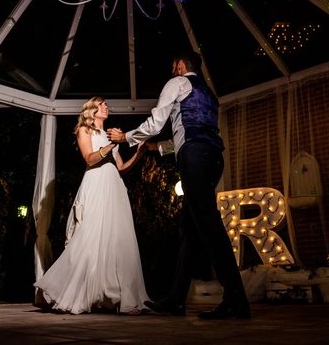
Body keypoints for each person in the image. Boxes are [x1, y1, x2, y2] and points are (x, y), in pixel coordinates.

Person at [107, 50, 250, 320]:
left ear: (181, 65)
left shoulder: (177, 83)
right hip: (212, 158)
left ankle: (236, 300)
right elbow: (191, 131)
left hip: (194, 158)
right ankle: (176, 299)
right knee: (190, 228)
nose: (172, 71)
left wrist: (125, 136)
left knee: (209, 225)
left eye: (174, 66)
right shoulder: (209, 95)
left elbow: (157, 121)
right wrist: (158, 148)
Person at [34, 97, 149, 315]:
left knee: (116, 238)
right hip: (95, 185)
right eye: (102, 104)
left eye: (106, 105)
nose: (106, 107)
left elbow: (122, 167)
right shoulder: (84, 131)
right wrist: (109, 147)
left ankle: (114, 295)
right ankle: (75, 291)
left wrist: (138, 154)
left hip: (114, 187)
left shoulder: (109, 135)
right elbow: (89, 158)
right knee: (90, 236)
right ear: (92, 111)